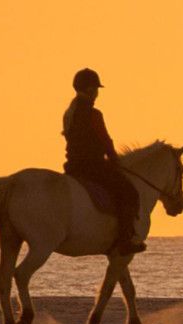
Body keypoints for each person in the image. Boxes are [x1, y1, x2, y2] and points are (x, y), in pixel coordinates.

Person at [63, 68, 143, 255]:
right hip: (93, 166)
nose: (97, 93)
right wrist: (115, 161)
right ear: (90, 90)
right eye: (96, 89)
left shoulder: (69, 113)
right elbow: (106, 141)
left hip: (73, 166)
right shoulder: (94, 114)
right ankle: (125, 240)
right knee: (129, 192)